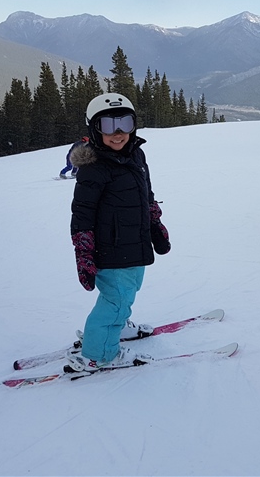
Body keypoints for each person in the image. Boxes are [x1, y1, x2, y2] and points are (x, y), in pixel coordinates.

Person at [65, 93, 171, 372]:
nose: (119, 133)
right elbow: (82, 215)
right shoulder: (94, 168)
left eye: (125, 122)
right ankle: (98, 353)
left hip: (134, 243)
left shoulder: (136, 154)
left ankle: (116, 327)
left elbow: (145, 194)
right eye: (109, 125)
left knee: (128, 291)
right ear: (94, 128)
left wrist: (155, 225)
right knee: (116, 299)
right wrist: (84, 253)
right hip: (110, 248)